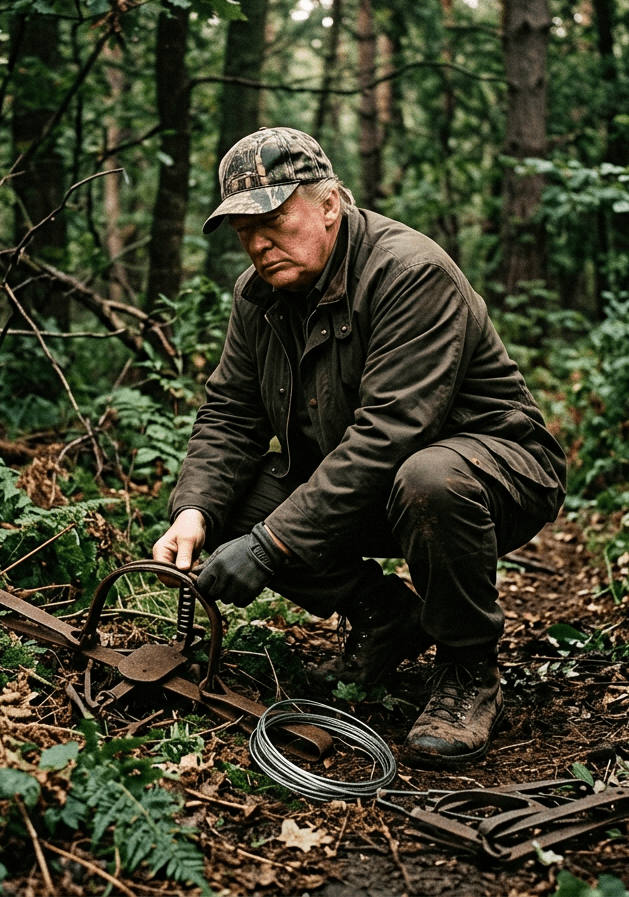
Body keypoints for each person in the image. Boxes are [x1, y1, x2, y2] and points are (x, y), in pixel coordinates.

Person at [152, 127, 566, 768]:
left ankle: (467, 671)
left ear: (328, 205)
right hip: (376, 483)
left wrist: (271, 545)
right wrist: (194, 511)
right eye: (243, 229)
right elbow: (231, 414)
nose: (258, 243)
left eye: (272, 218)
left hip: (494, 472)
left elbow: (391, 434)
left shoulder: (409, 272)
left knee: (430, 477)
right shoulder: (257, 297)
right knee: (228, 499)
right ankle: (383, 618)